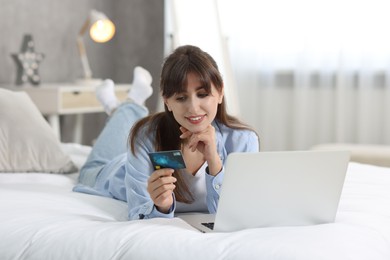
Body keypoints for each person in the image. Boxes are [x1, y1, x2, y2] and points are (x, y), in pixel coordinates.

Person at [73, 45, 260, 220]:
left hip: (141, 151)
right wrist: (161, 207)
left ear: (219, 93)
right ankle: (131, 104)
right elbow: (139, 213)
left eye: (202, 94)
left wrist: (214, 161)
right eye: (181, 97)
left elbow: (234, 215)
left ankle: (118, 106)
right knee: (89, 169)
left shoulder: (244, 141)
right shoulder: (145, 136)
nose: (193, 108)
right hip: (118, 171)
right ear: (167, 101)